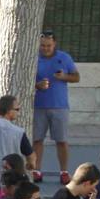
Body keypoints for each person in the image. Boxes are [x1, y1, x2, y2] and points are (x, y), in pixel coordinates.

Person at [32, 31, 80, 176]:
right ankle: (36, 170)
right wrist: (37, 85)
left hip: (60, 106)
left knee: (61, 141)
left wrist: (64, 76)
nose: (45, 48)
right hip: (38, 106)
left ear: (55, 44)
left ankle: (64, 171)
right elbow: (26, 80)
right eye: (42, 46)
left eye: (48, 45)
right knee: (37, 140)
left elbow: (77, 77)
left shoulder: (64, 58)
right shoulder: (33, 58)